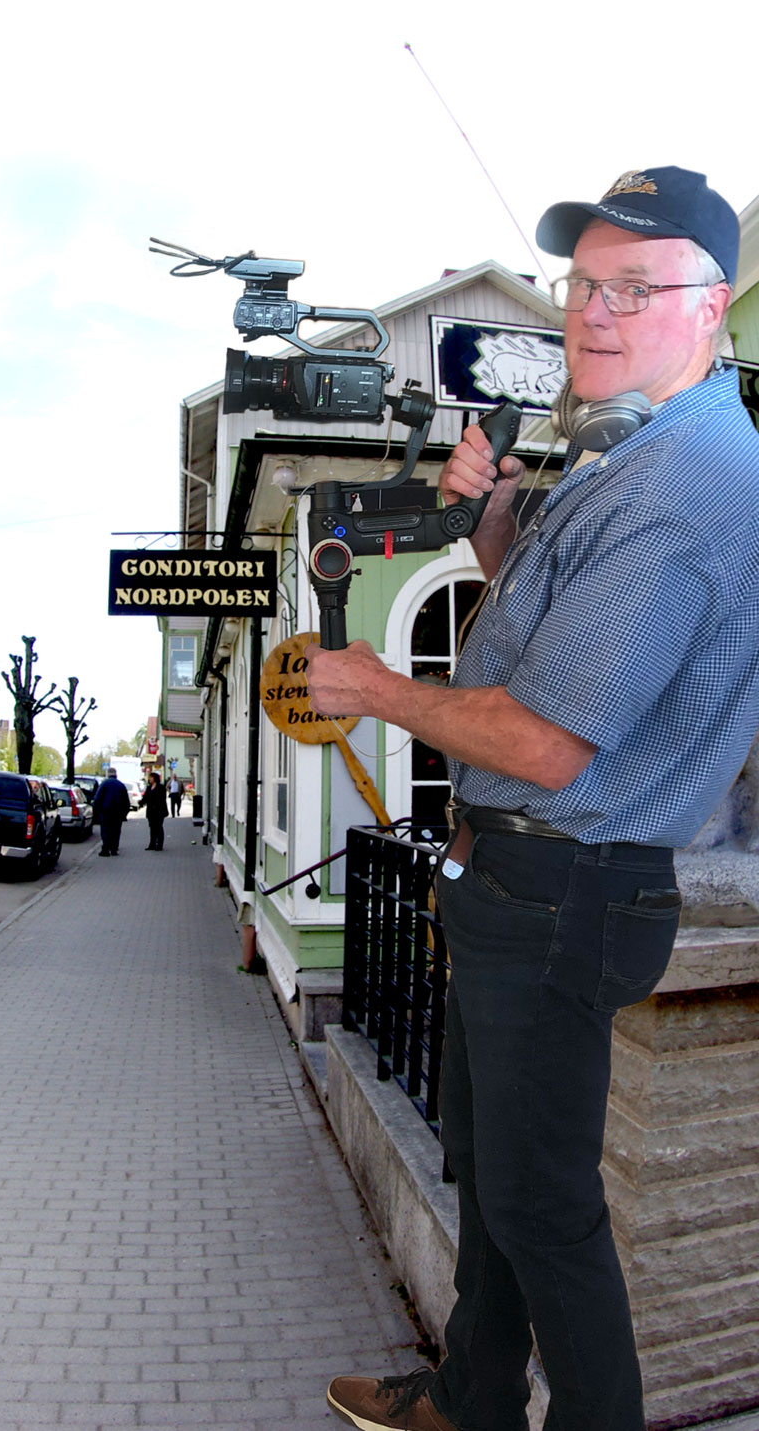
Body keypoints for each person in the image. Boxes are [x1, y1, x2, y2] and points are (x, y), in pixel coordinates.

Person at [313, 167, 759, 1431]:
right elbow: (548, 617)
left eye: (633, 286)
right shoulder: (635, 447)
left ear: (710, 308)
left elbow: (549, 740)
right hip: (513, 882)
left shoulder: (685, 487)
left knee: (545, 1211)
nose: (592, 311)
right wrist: (493, 514)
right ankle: (465, 1397)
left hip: (563, 886)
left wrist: (374, 688)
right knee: (498, 1175)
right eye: (580, 283)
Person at [90, 765, 131, 856]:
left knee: (106, 830)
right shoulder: (121, 785)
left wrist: (96, 810)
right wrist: (124, 814)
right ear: (116, 775)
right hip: (118, 812)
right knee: (116, 831)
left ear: (108, 774)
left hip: (106, 812)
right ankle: (114, 849)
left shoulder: (104, 784)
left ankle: (105, 849)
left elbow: (97, 798)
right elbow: (126, 801)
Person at [141, 770, 168, 850]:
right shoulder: (149, 788)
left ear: (155, 778)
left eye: (151, 777)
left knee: (159, 827)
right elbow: (145, 797)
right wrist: (141, 802)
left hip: (159, 811)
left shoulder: (161, 787)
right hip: (151, 811)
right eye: (150, 778)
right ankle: (152, 844)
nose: (150, 779)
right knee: (152, 828)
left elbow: (162, 799)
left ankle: (159, 845)